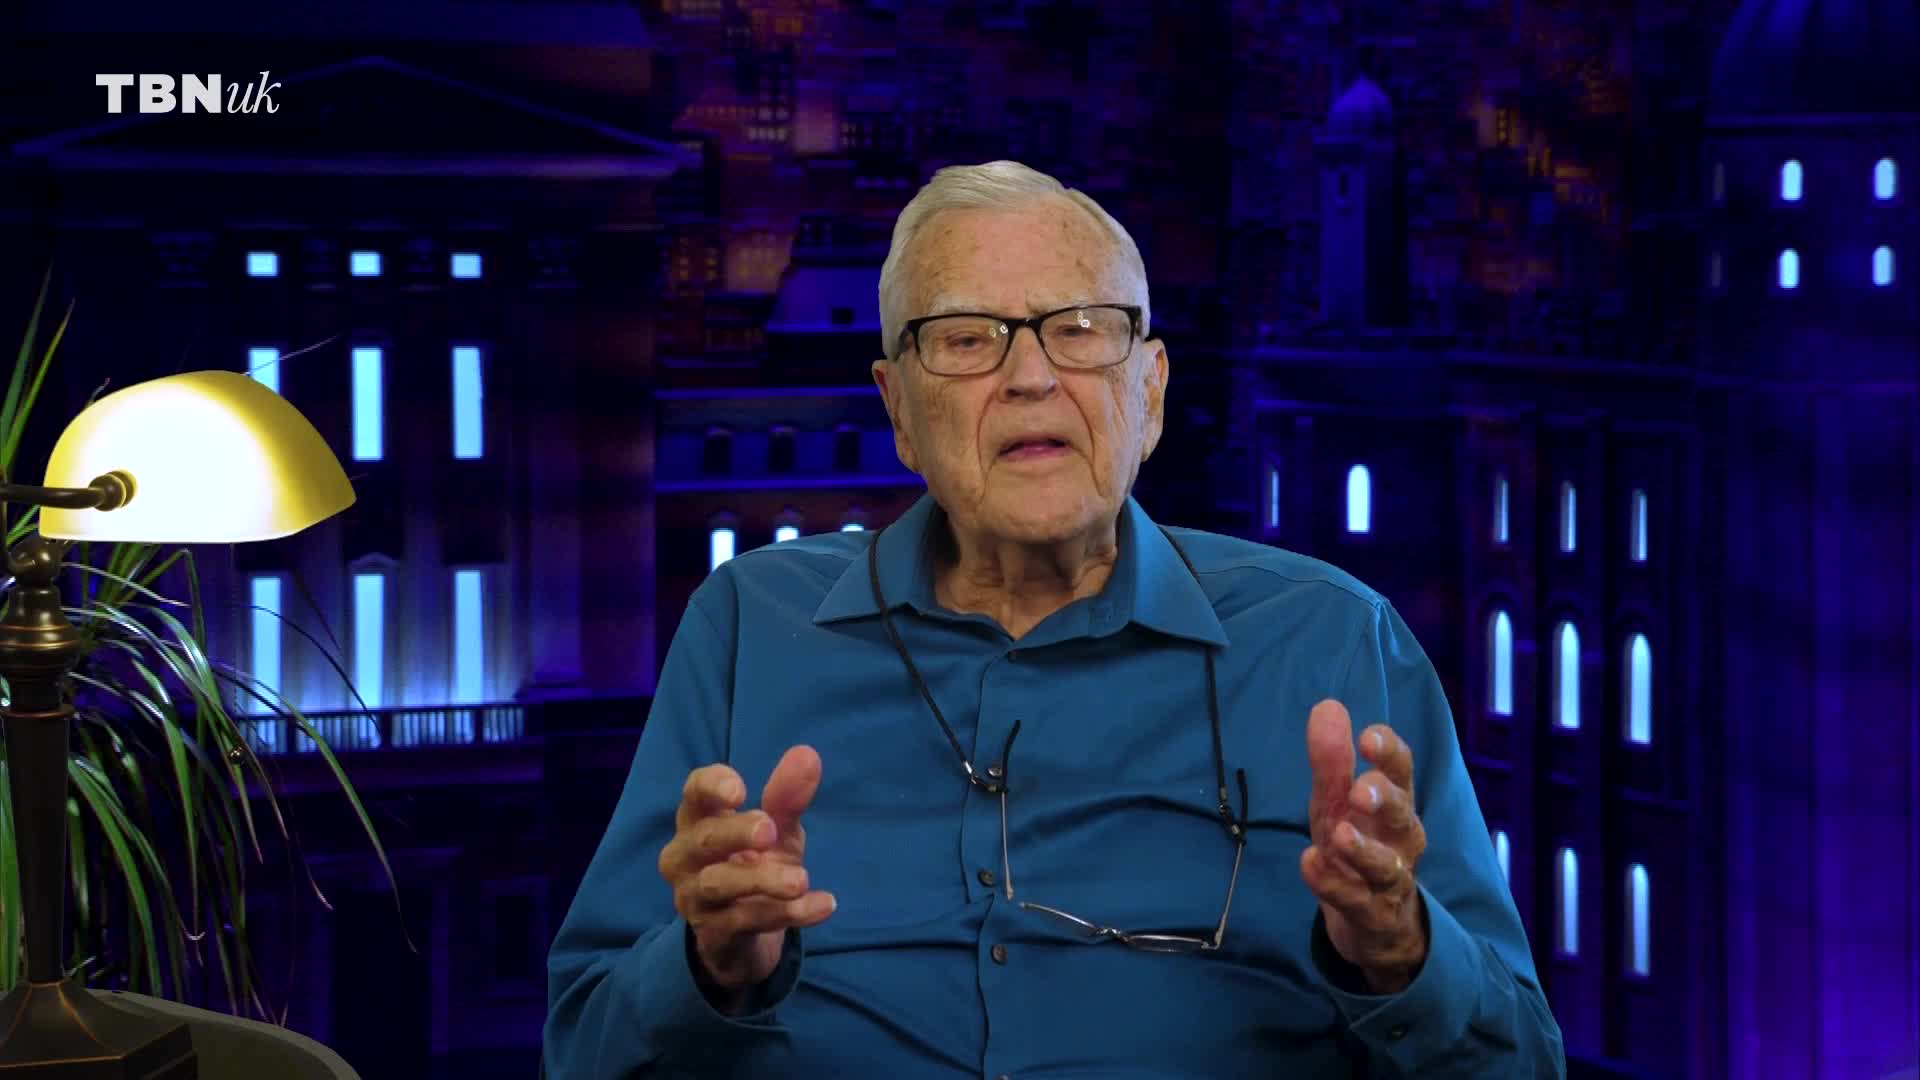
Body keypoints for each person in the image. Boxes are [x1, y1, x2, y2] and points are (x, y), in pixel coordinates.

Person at [545, 160, 1565, 1078]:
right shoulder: (748, 626)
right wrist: (708, 968)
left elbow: (1522, 1064)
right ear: (897, 408)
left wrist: (1400, 954)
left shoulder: (1334, 640)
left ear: (1151, 392)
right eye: (966, 339)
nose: (1030, 374)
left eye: (1081, 328)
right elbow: (581, 1051)